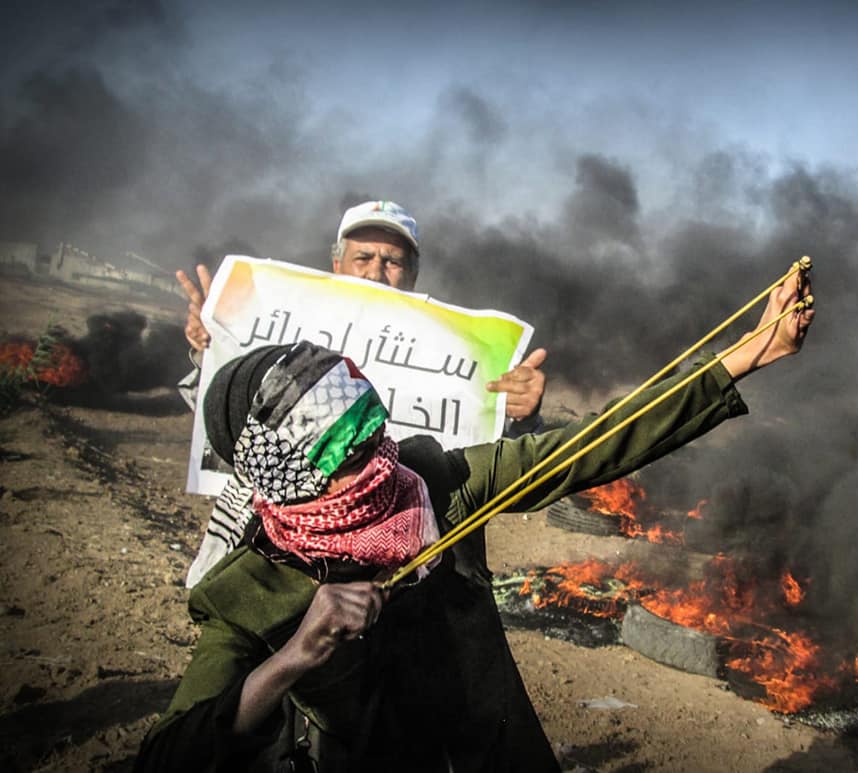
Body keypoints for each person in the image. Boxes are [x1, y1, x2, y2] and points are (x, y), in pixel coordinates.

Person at [136, 268, 815, 772]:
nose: (377, 455)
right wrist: (293, 657)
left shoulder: (435, 483)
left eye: (371, 422)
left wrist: (748, 355)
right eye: (345, 448)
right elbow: (168, 757)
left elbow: (593, 446)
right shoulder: (249, 593)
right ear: (288, 475)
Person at [179, 201, 546, 586]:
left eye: (392, 261)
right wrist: (215, 349)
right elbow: (231, 426)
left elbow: (497, 464)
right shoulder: (287, 328)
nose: (375, 272)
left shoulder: (453, 351)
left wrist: (523, 417)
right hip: (290, 558)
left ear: (413, 274)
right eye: (363, 257)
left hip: (411, 558)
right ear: (337, 263)